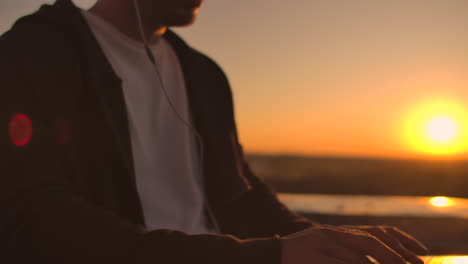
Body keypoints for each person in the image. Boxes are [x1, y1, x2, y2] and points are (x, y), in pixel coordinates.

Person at [0, 0, 428, 263]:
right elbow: (40, 223)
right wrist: (270, 257)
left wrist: (327, 244)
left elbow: (241, 195)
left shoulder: (202, 74)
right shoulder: (35, 52)